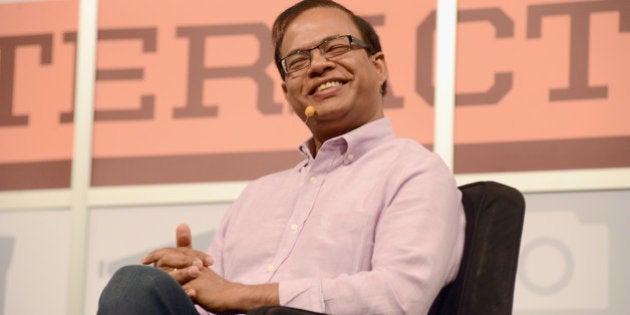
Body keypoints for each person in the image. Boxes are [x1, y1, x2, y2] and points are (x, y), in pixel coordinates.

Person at [98, 0, 465, 314]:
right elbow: (214, 297)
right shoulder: (257, 195)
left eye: (336, 47)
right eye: (298, 60)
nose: (318, 65)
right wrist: (185, 285)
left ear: (379, 66)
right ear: (288, 91)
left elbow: (399, 298)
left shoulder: (414, 171)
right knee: (139, 286)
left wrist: (240, 294)